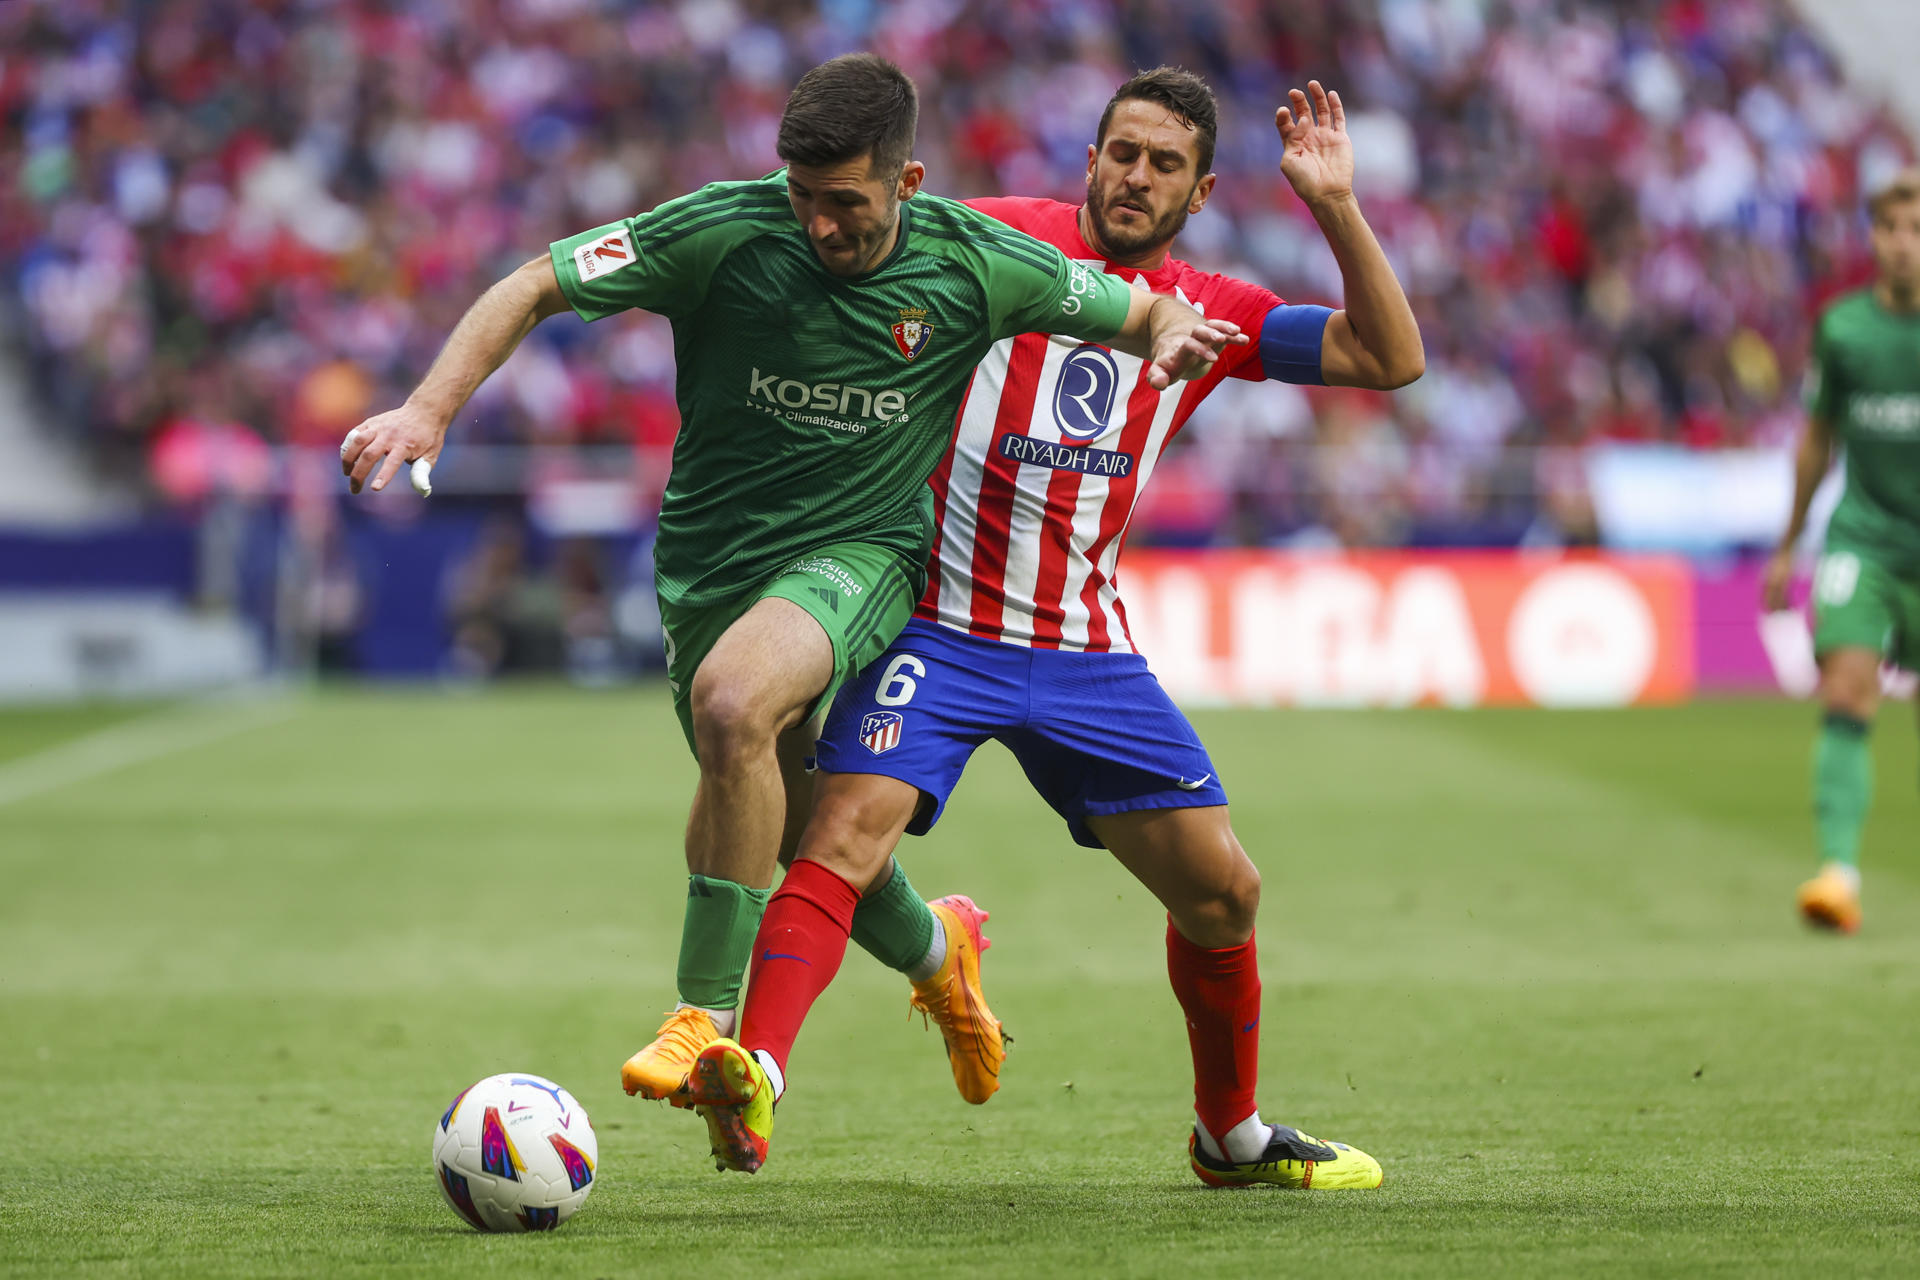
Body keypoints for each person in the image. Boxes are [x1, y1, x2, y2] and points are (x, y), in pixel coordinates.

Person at [338, 54, 1244, 1105]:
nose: (818, 225)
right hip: (711, 567)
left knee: (735, 704)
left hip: (862, 554)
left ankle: (700, 1019)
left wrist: (1177, 327)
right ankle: (939, 951)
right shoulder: (725, 229)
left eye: (845, 203)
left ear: (907, 185)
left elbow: (1135, 312)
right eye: (803, 198)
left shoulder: (975, 260)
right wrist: (428, 408)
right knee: (798, 824)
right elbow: (536, 281)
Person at [684, 70, 1424, 1188]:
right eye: (1120, 152)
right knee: (838, 834)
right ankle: (756, 1075)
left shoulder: (1210, 310)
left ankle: (1228, 1137)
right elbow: (846, 246)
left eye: (1163, 163)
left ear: (1201, 189)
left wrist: (1332, 205)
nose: (1136, 176)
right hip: (933, 627)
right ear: (1089, 160)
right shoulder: (985, 242)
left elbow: (1390, 357)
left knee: (1225, 892)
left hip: (1083, 648)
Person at [1765, 167, 1920, 936]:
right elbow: (1816, 442)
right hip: (1864, 540)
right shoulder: (1844, 329)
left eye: (1917, 232)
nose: (1904, 246)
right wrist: (1789, 545)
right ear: (1873, 238)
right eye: (1891, 230)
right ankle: (1838, 873)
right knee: (1847, 687)